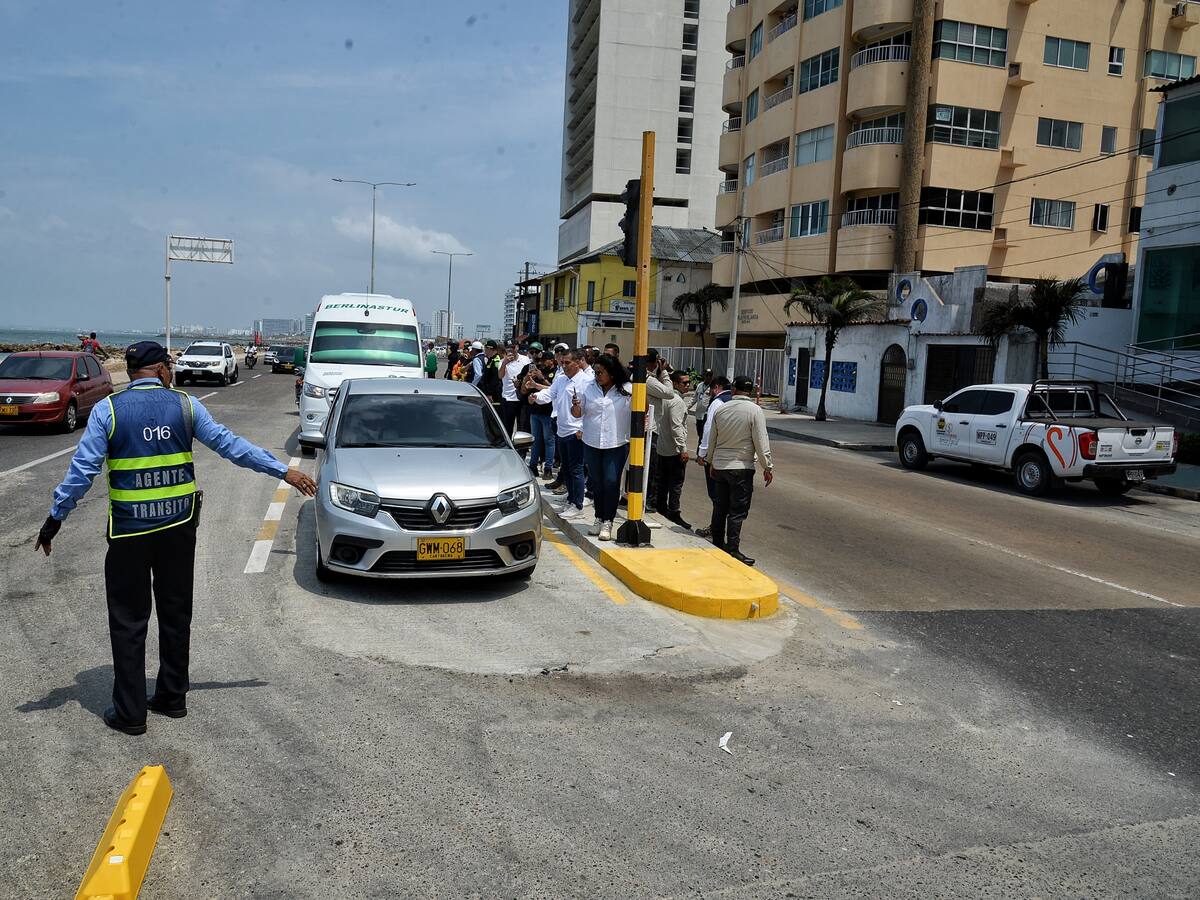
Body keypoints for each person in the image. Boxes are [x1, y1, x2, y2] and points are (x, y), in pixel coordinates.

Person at [33, 341, 317, 735]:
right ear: (161, 370)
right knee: (175, 613)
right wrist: (282, 471)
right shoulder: (185, 406)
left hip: (130, 533)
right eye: (169, 364)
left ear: (132, 372)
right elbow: (230, 446)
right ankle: (171, 696)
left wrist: (54, 520)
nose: (171, 370)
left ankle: (131, 714)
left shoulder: (107, 411)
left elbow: (81, 473)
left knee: (129, 621)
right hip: (178, 530)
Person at [707, 374, 774, 566]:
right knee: (737, 510)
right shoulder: (755, 411)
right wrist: (767, 466)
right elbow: (761, 442)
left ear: (734, 390)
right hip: (742, 467)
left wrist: (711, 461)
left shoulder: (721, 409)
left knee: (720, 507)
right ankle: (733, 549)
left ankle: (717, 545)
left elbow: (713, 439)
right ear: (750, 391)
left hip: (721, 466)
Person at [571, 354, 630, 541]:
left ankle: (608, 521)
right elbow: (577, 414)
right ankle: (598, 517)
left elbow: (642, 409)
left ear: (611, 373)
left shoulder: (627, 389)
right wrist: (575, 406)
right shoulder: (588, 388)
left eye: (600, 372)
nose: (597, 376)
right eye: (595, 372)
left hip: (616, 442)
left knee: (611, 482)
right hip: (592, 442)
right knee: (597, 482)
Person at [534, 349, 592, 518]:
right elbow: (550, 394)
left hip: (576, 432)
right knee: (566, 468)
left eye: (567, 363)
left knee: (576, 469)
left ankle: (578, 504)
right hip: (562, 429)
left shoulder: (587, 381)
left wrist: (582, 428)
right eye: (562, 362)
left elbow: (589, 407)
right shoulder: (560, 380)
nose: (564, 365)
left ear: (577, 362)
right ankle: (571, 500)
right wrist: (536, 396)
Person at [693, 375, 732, 540]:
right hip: (734, 458)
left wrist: (702, 454)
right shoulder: (738, 402)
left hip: (716, 457)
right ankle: (729, 535)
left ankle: (716, 531)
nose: (709, 392)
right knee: (729, 497)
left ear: (716, 387)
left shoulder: (717, 402)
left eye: (710, 389)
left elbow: (708, 430)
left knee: (716, 495)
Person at [655, 369, 692, 529]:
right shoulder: (676, 401)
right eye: (684, 382)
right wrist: (682, 448)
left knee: (663, 482)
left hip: (663, 448)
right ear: (675, 383)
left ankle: (661, 508)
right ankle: (673, 512)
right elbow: (676, 426)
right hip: (673, 450)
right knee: (675, 484)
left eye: (689, 382)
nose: (688, 385)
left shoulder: (666, 398)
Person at [520, 351, 557, 478]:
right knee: (535, 440)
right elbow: (524, 390)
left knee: (549, 440)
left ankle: (548, 468)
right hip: (535, 410)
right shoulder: (536, 371)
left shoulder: (557, 373)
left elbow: (554, 389)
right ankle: (533, 465)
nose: (541, 363)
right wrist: (527, 378)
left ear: (552, 360)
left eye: (544, 360)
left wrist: (542, 378)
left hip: (548, 412)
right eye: (540, 361)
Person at [498, 342, 532, 436]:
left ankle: (522, 450)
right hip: (508, 398)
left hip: (522, 397)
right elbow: (500, 376)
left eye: (512, 347)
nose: (510, 350)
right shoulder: (502, 361)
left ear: (517, 347)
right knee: (508, 426)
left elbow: (530, 374)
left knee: (522, 427)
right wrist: (505, 363)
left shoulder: (525, 360)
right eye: (508, 348)